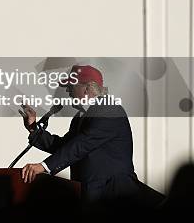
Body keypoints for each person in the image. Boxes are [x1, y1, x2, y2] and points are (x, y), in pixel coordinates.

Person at [18, 65, 162, 204]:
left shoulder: (109, 110)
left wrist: (43, 166)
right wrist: (33, 128)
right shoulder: (80, 118)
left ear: (87, 89)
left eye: (71, 86)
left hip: (115, 197)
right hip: (91, 195)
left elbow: (81, 145)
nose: (68, 91)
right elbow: (65, 147)